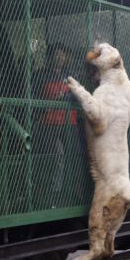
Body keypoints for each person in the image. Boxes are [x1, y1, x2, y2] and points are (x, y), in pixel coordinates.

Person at [33, 43, 82, 194]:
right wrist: (44, 106)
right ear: (50, 57)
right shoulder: (41, 74)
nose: (59, 57)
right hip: (49, 122)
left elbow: (78, 94)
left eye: (62, 54)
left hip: (69, 121)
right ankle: (51, 191)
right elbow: (33, 95)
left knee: (73, 154)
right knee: (52, 156)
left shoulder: (70, 75)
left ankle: (72, 190)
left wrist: (65, 97)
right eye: (56, 54)